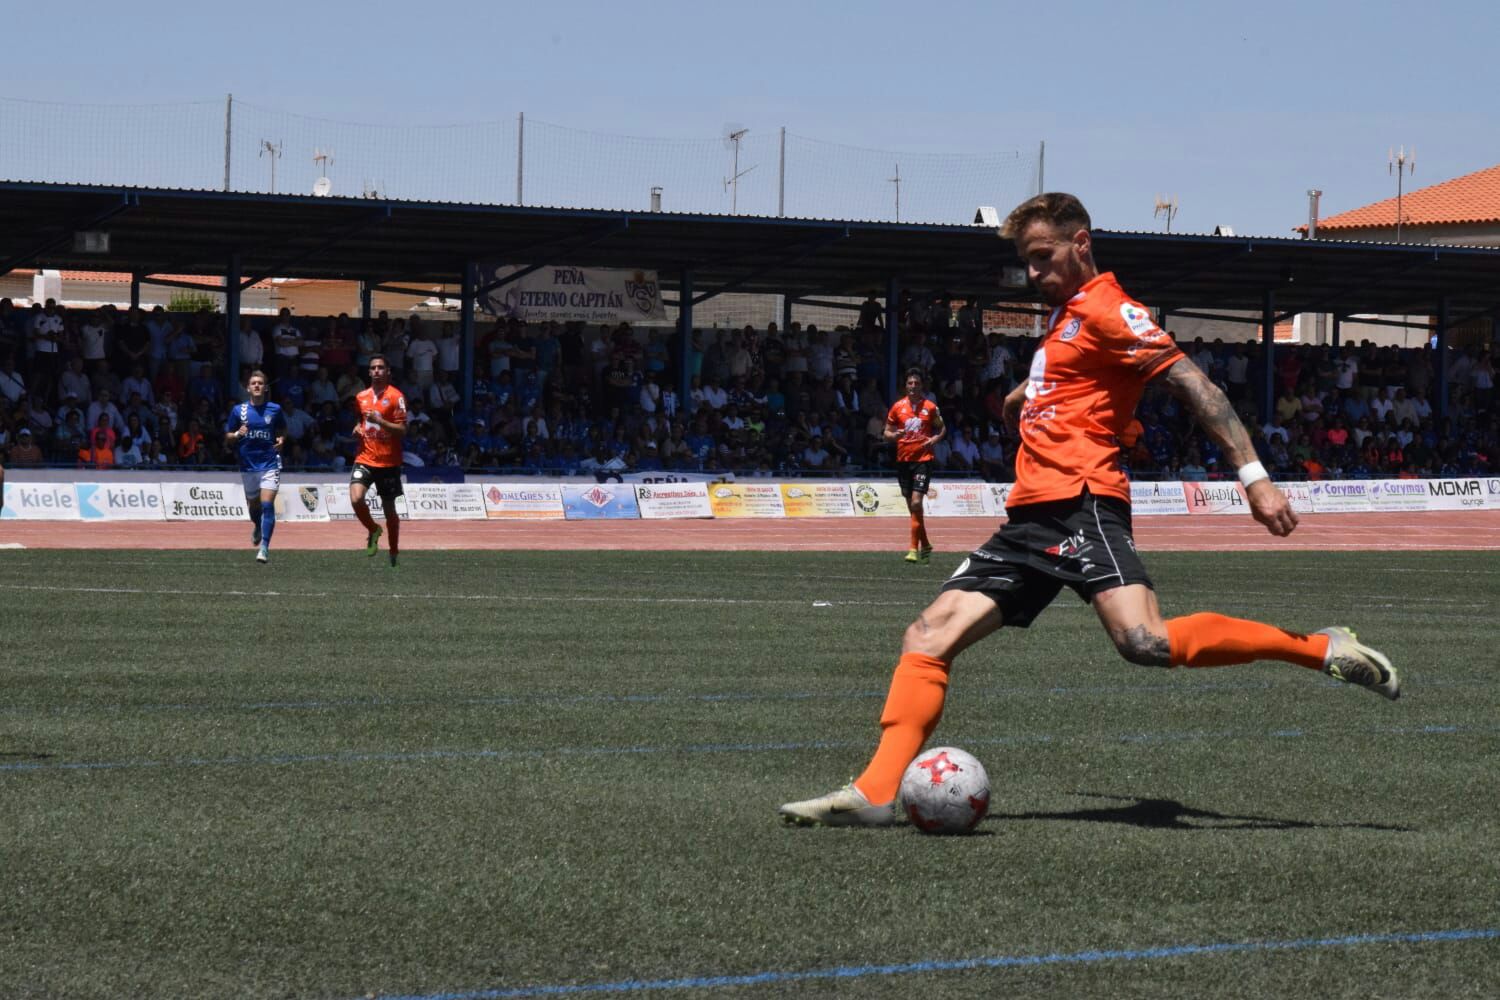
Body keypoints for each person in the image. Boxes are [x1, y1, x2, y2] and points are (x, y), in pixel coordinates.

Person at [779, 192, 1400, 829]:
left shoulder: (1112, 308)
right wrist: (1027, 393)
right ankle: (877, 792)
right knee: (927, 637)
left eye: (1043, 258)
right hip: (1028, 518)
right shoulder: (1064, 318)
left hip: (1082, 503)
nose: (1033, 274)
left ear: (1081, 244)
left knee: (1144, 641)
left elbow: (1196, 386)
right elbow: (1070, 377)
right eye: (1026, 262)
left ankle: (1319, 647)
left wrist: (1254, 477)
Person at [349, 354, 407, 567]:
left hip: (388, 462)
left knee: (389, 510)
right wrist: (358, 427)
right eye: (373, 368)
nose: (376, 371)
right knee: (356, 499)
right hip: (365, 457)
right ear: (369, 372)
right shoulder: (361, 396)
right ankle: (373, 529)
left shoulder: (396, 397)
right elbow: (361, 419)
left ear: (388, 371)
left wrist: (381, 421)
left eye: (381, 367)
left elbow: (402, 430)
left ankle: (393, 551)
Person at [884, 368, 946, 563]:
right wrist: (893, 436)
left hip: (923, 460)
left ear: (922, 386)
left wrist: (934, 440)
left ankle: (912, 549)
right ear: (906, 386)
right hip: (903, 460)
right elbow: (886, 432)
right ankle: (926, 543)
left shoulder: (930, 407)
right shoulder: (897, 407)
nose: (913, 386)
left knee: (917, 502)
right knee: (913, 509)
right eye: (910, 383)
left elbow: (942, 429)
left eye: (916, 383)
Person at [224, 370, 286, 564]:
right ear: (248, 388)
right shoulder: (238, 411)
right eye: (254, 383)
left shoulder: (275, 409)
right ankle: (258, 527)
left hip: (270, 463)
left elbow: (283, 428)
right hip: (248, 465)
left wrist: (282, 439)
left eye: (260, 383)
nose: (257, 385)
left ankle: (264, 548)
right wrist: (236, 435)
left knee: (268, 505)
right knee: (254, 506)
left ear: (266, 387)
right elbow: (228, 437)